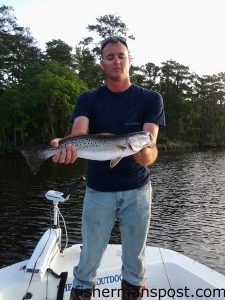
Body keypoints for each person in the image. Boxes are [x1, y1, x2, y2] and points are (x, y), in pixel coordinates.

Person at [51, 36, 166, 300]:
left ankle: (133, 291)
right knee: (89, 256)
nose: (116, 60)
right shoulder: (88, 99)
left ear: (129, 59)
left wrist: (141, 150)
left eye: (121, 55)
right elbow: (78, 132)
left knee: (135, 259)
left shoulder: (150, 99)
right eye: (110, 56)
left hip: (137, 192)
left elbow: (150, 148)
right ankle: (81, 292)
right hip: (98, 190)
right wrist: (64, 146)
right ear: (102, 63)